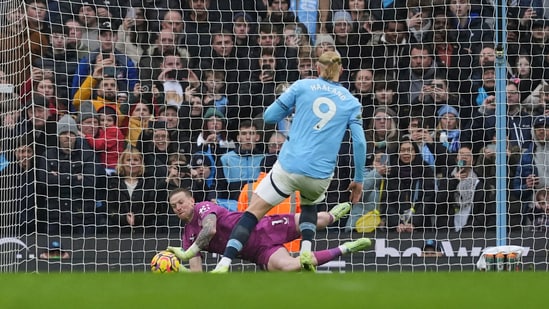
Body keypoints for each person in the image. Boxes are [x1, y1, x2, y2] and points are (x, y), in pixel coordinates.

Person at [213, 51, 366, 273]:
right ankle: (305, 251)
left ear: (317, 69)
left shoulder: (302, 86)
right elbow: (360, 143)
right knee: (310, 205)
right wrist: (359, 179)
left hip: (290, 166)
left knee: (253, 212)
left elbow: (268, 117)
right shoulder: (352, 102)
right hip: (320, 174)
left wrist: (293, 108)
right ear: (341, 71)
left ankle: (224, 263)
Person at [165, 188, 370, 272]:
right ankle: (346, 248)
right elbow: (197, 273)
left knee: (321, 220)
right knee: (290, 266)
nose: (178, 208)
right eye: (174, 206)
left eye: (181, 202)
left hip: (263, 228)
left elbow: (209, 230)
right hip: (258, 253)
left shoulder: (203, 208)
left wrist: (186, 253)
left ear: (192, 200)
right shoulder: (187, 235)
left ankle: (334, 214)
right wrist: (177, 268)